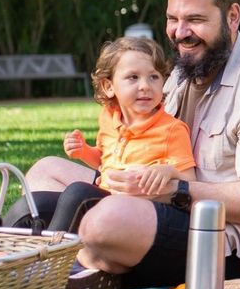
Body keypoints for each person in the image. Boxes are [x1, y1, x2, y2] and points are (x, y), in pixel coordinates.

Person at [8, 0, 240, 289]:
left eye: (195, 20)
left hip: (225, 245)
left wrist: (177, 190)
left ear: (232, 16)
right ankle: (40, 262)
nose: (180, 33)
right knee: (45, 172)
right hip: (155, 203)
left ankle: (68, 271)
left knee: (103, 221)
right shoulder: (181, 73)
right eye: (173, 19)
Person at [43, 36, 197, 233]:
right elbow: (104, 160)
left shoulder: (171, 129)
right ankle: (1, 254)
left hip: (140, 210)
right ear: (108, 87)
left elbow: (190, 179)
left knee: (77, 193)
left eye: (154, 77)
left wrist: (167, 171)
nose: (145, 85)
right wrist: (83, 152)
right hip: (106, 196)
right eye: (133, 77)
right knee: (39, 202)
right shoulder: (109, 117)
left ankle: (50, 257)